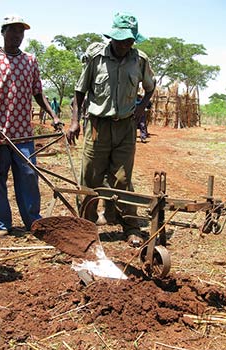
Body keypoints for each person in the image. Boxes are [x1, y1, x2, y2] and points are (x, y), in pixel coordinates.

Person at [67, 12, 156, 247]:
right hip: (97, 126)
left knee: (123, 179)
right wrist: (75, 121)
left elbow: (150, 87)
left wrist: (141, 109)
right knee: (90, 178)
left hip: (126, 127)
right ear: (112, 37)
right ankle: (86, 228)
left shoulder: (140, 60)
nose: (126, 45)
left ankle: (131, 227)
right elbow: (80, 91)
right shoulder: (96, 58)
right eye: (122, 40)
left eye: (130, 41)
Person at [0, 14, 62, 235]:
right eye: (13, 31)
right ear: (3, 32)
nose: (17, 36)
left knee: (29, 177)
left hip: (24, 134)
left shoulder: (30, 61)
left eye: (21, 32)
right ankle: (3, 225)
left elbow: (38, 93)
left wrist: (54, 116)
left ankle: (33, 221)